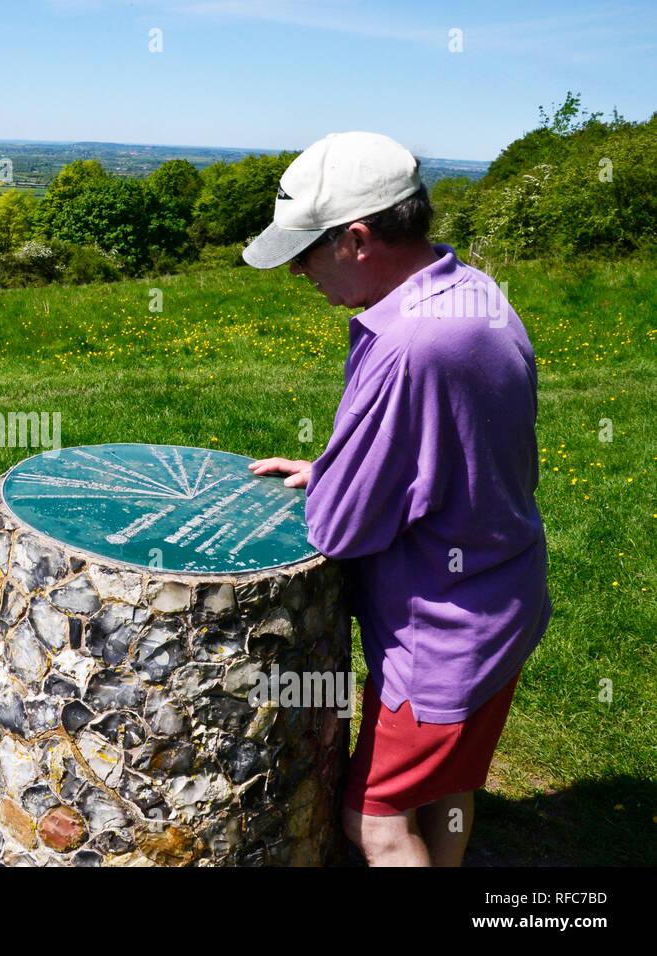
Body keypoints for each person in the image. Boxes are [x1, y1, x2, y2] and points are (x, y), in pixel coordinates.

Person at [240, 131, 552, 866]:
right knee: (443, 793)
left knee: (374, 825)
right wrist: (341, 462)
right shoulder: (466, 292)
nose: (300, 274)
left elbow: (342, 529)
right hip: (500, 600)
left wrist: (342, 483)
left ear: (355, 239)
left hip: (440, 637)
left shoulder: (411, 343)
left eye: (304, 254)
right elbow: (453, 442)